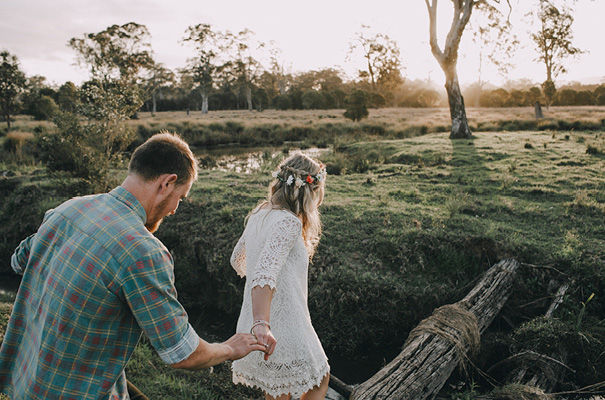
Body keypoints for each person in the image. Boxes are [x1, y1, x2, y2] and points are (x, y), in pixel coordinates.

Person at [0, 132, 265, 400]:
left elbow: (18, 261)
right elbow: (182, 353)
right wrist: (229, 349)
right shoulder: (143, 252)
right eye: (180, 197)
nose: (174, 209)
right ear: (167, 183)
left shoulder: (67, 209)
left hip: (26, 380)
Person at [230, 152, 330, 400]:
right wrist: (261, 322)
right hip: (282, 323)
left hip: (261, 318)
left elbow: (238, 261)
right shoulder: (288, 223)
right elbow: (264, 273)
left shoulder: (259, 213)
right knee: (320, 377)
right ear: (307, 191)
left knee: (277, 392)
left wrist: (269, 275)